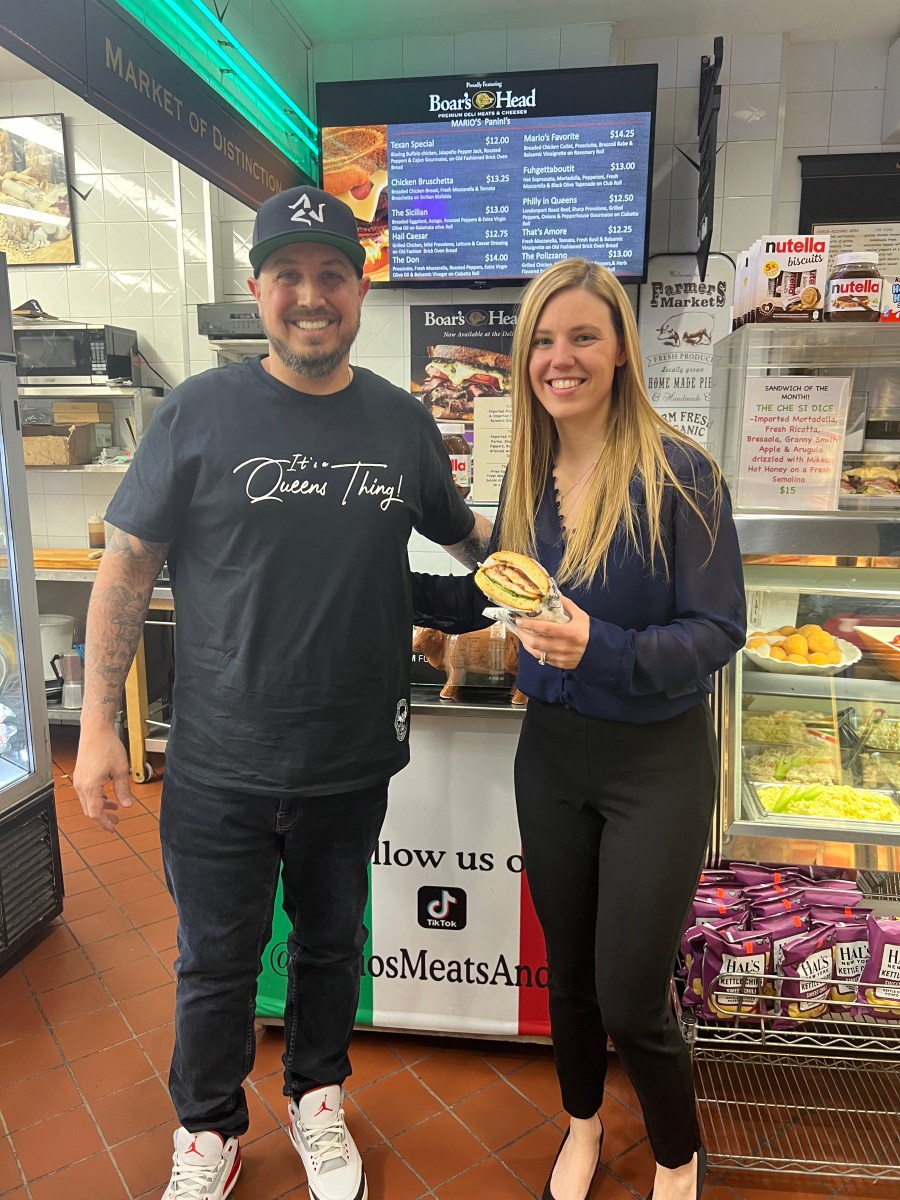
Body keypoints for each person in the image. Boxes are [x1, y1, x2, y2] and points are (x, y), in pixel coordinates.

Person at [72, 185, 491, 1200]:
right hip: (218, 757)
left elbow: (471, 541)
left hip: (350, 755)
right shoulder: (198, 412)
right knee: (214, 962)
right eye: (290, 276)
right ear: (259, 289)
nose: (312, 295)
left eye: (333, 276)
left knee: (331, 943)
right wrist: (95, 728)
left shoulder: (399, 422)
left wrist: (545, 571)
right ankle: (209, 1131)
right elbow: (126, 569)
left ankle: (316, 1099)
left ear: (358, 289)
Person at [411, 258, 746, 1200]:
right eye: (543, 342)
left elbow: (719, 631)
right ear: (523, 360)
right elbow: (499, 597)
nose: (562, 358)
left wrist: (599, 646)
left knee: (635, 991)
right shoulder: (527, 471)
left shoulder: (685, 476)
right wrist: (372, 578)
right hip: (553, 756)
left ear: (621, 352)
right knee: (571, 977)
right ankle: (584, 1127)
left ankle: (678, 1155)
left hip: (656, 763)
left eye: (583, 337)